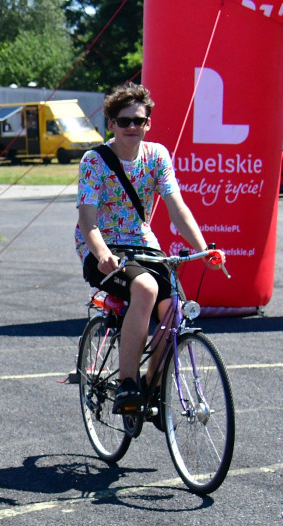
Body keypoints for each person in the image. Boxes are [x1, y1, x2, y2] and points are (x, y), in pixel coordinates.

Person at [75, 82, 217, 414]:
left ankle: (151, 388)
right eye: (124, 121)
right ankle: (127, 385)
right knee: (146, 287)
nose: (131, 128)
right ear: (111, 124)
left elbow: (177, 208)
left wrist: (204, 249)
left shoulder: (157, 156)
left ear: (147, 123)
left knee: (175, 309)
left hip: (143, 245)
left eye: (138, 121)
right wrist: (102, 254)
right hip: (102, 248)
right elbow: (87, 221)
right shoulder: (94, 161)